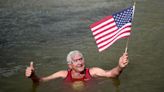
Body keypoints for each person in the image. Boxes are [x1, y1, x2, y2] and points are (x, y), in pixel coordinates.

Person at [25, 50, 128, 84]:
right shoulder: (63, 74)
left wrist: (119, 67)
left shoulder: (93, 71)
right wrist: (33, 76)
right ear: (70, 65)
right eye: (76, 61)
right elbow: (40, 80)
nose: (80, 62)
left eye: (81, 59)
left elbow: (111, 74)